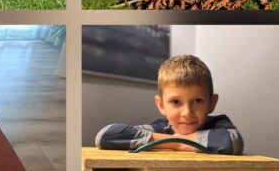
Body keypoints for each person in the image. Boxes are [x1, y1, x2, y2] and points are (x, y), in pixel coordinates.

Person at [95, 54, 243, 154]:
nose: (187, 112)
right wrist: (176, 142)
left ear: (212, 103)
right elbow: (106, 135)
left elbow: (233, 141)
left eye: (197, 101)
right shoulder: (162, 127)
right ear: (161, 105)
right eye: (176, 102)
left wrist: (177, 143)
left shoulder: (218, 125)